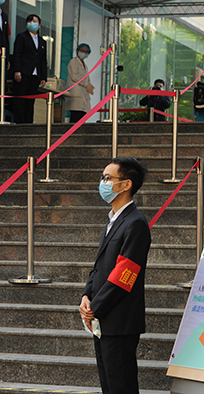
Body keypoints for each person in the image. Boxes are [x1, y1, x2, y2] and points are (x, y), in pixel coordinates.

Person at [79, 157, 151, 394]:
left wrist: (94, 307)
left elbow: (125, 274)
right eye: (103, 178)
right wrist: (86, 295)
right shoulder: (114, 220)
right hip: (103, 317)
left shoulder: (135, 223)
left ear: (126, 184)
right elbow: (100, 265)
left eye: (108, 178)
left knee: (121, 386)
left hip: (120, 320)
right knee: (109, 385)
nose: (103, 183)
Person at [12, 14, 47, 124]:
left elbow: (43, 60)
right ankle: (19, 124)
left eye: (35, 21)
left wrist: (43, 77)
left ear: (39, 25)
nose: (32, 23)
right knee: (20, 100)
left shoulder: (42, 42)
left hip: (35, 75)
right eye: (30, 21)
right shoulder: (21, 37)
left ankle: (28, 124)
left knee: (30, 102)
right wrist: (17, 70)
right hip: (23, 72)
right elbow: (17, 54)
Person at [65, 43, 95, 123]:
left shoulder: (85, 65)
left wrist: (90, 86)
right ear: (77, 51)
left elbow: (87, 78)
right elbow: (75, 77)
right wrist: (86, 84)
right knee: (75, 117)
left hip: (83, 95)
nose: (84, 53)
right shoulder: (73, 62)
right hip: (76, 94)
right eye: (82, 51)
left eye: (86, 52)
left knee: (82, 118)